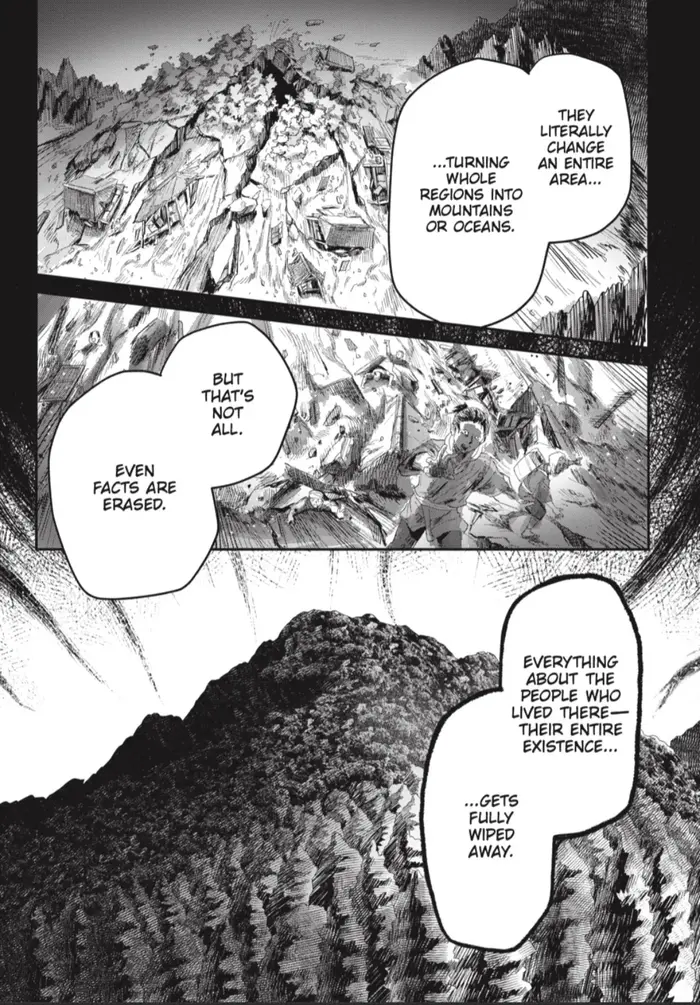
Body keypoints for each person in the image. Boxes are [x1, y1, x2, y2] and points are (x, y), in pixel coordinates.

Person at [388, 402, 514, 549]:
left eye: (476, 438)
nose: (469, 441)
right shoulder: (436, 447)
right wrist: (423, 464)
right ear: (454, 429)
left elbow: (502, 488)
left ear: (482, 440)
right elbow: (407, 467)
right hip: (418, 509)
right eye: (465, 433)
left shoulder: (482, 465)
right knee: (397, 548)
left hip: (448, 517)